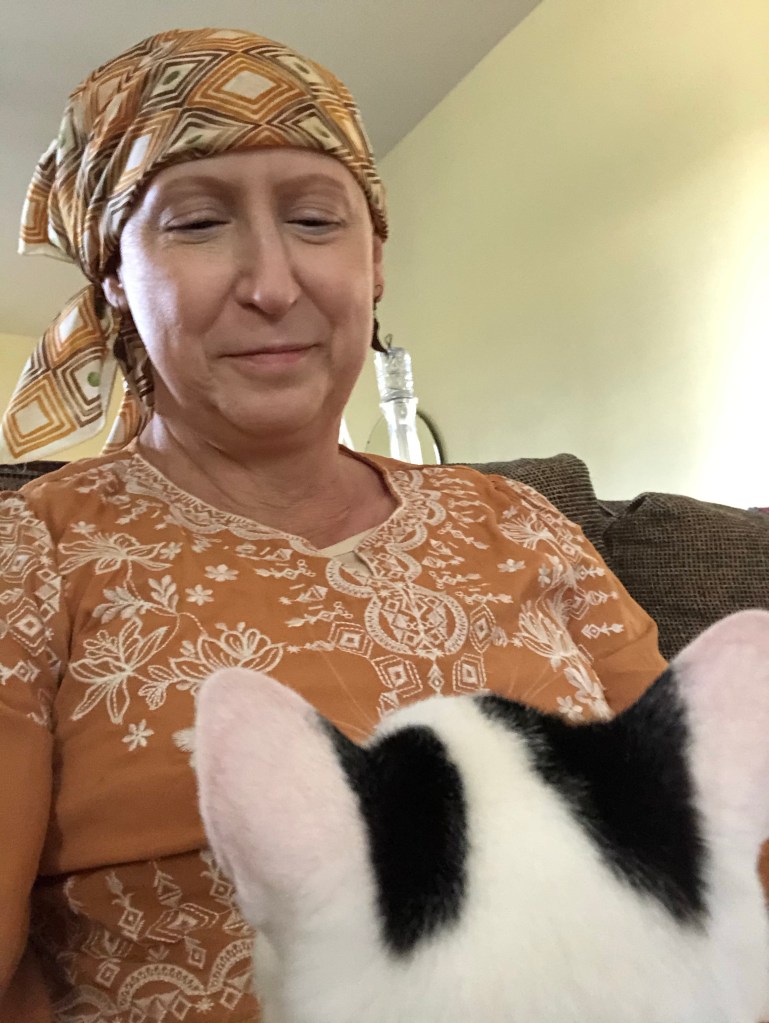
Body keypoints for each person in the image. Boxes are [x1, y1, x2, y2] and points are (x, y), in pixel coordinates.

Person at [0, 28, 668, 1023]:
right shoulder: (33, 556)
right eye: (197, 225)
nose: (273, 285)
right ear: (114, 283)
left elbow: (709, 825)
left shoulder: (519, 524)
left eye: (315, 220)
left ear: (374, 261)